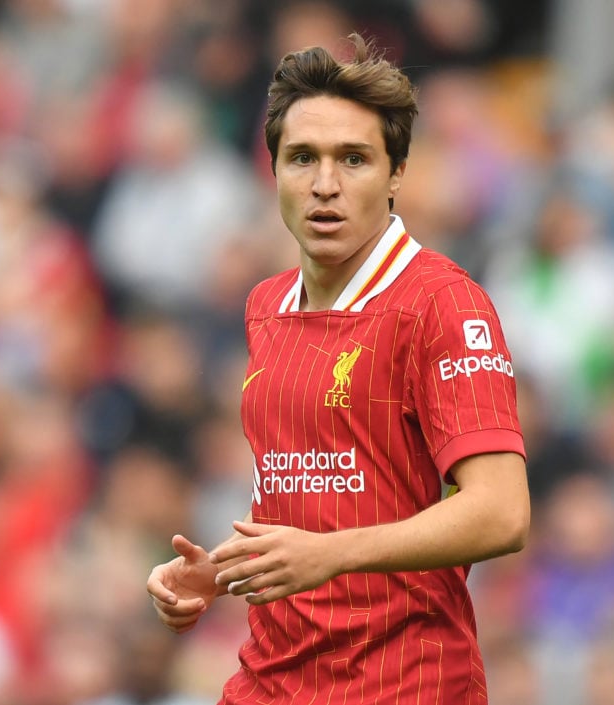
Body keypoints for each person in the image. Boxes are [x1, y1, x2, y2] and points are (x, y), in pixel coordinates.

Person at [146, 33, 530, 704]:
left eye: (353, 159)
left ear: (396, 173)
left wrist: (333, 554)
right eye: (302, 159)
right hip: (273, 676)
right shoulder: (265, 304)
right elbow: (317, 488)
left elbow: (502, 512)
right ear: (274, 172)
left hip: (402, 680)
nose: (325, 184)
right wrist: (223, 570)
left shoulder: (441, 303)